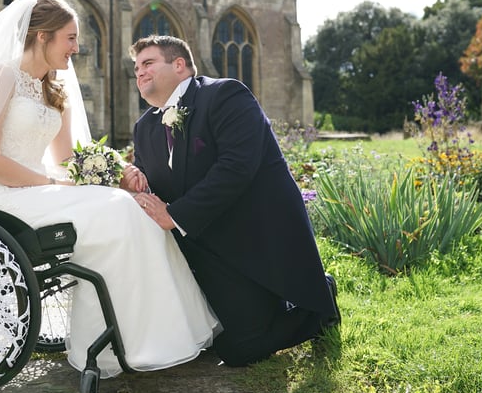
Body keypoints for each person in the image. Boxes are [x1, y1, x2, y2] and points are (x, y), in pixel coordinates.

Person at [0, 0, 217, 378]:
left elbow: (70, 158)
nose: (76, 47)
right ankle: (114, 345)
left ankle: (158, 334)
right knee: (116, 210)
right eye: (70, 38)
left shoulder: (55, 89)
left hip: (39, 190)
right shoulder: (1, 77)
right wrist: (50, 182)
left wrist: (119, 171)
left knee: (133, 205)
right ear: (42, 36)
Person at [126, 34, 340, 367]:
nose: (139, 72)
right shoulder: (144, 128)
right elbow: (154, 187)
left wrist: (175, 215)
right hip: (205, 251)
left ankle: (320, 301)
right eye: (136, 67)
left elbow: (236, 167)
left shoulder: (225, 95)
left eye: (148, 63)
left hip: (255, 237)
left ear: (179, 65)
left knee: (238, 350)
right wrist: (134, 182)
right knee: (221, 338)